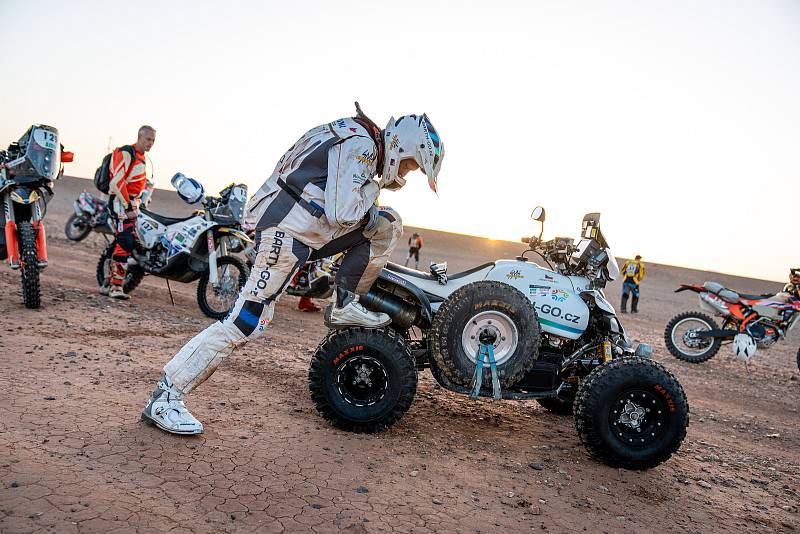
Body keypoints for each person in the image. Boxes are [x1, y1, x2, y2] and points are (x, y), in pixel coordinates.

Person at [141, 104, 444, 434]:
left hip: (296, 228)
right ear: (402, 147)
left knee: (384, 224)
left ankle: (345, 303)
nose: (407, 172)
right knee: (245, 321)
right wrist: (375, 188)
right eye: (413, 165)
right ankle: (166, 397)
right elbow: (343, 212)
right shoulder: (361, 145)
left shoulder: (352, 133)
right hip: (287, 231)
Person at [101, 126, 156, 299]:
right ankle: (116, 287)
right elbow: (117, 183)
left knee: (131, 242)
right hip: (120, 203)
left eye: (153, 140)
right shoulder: (126, 152)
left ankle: (106, 283)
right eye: (148, 139)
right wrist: (127, 207)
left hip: (133, 204)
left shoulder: (142, 158)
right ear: (139, 137)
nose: (151, 143)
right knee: (125, 241)